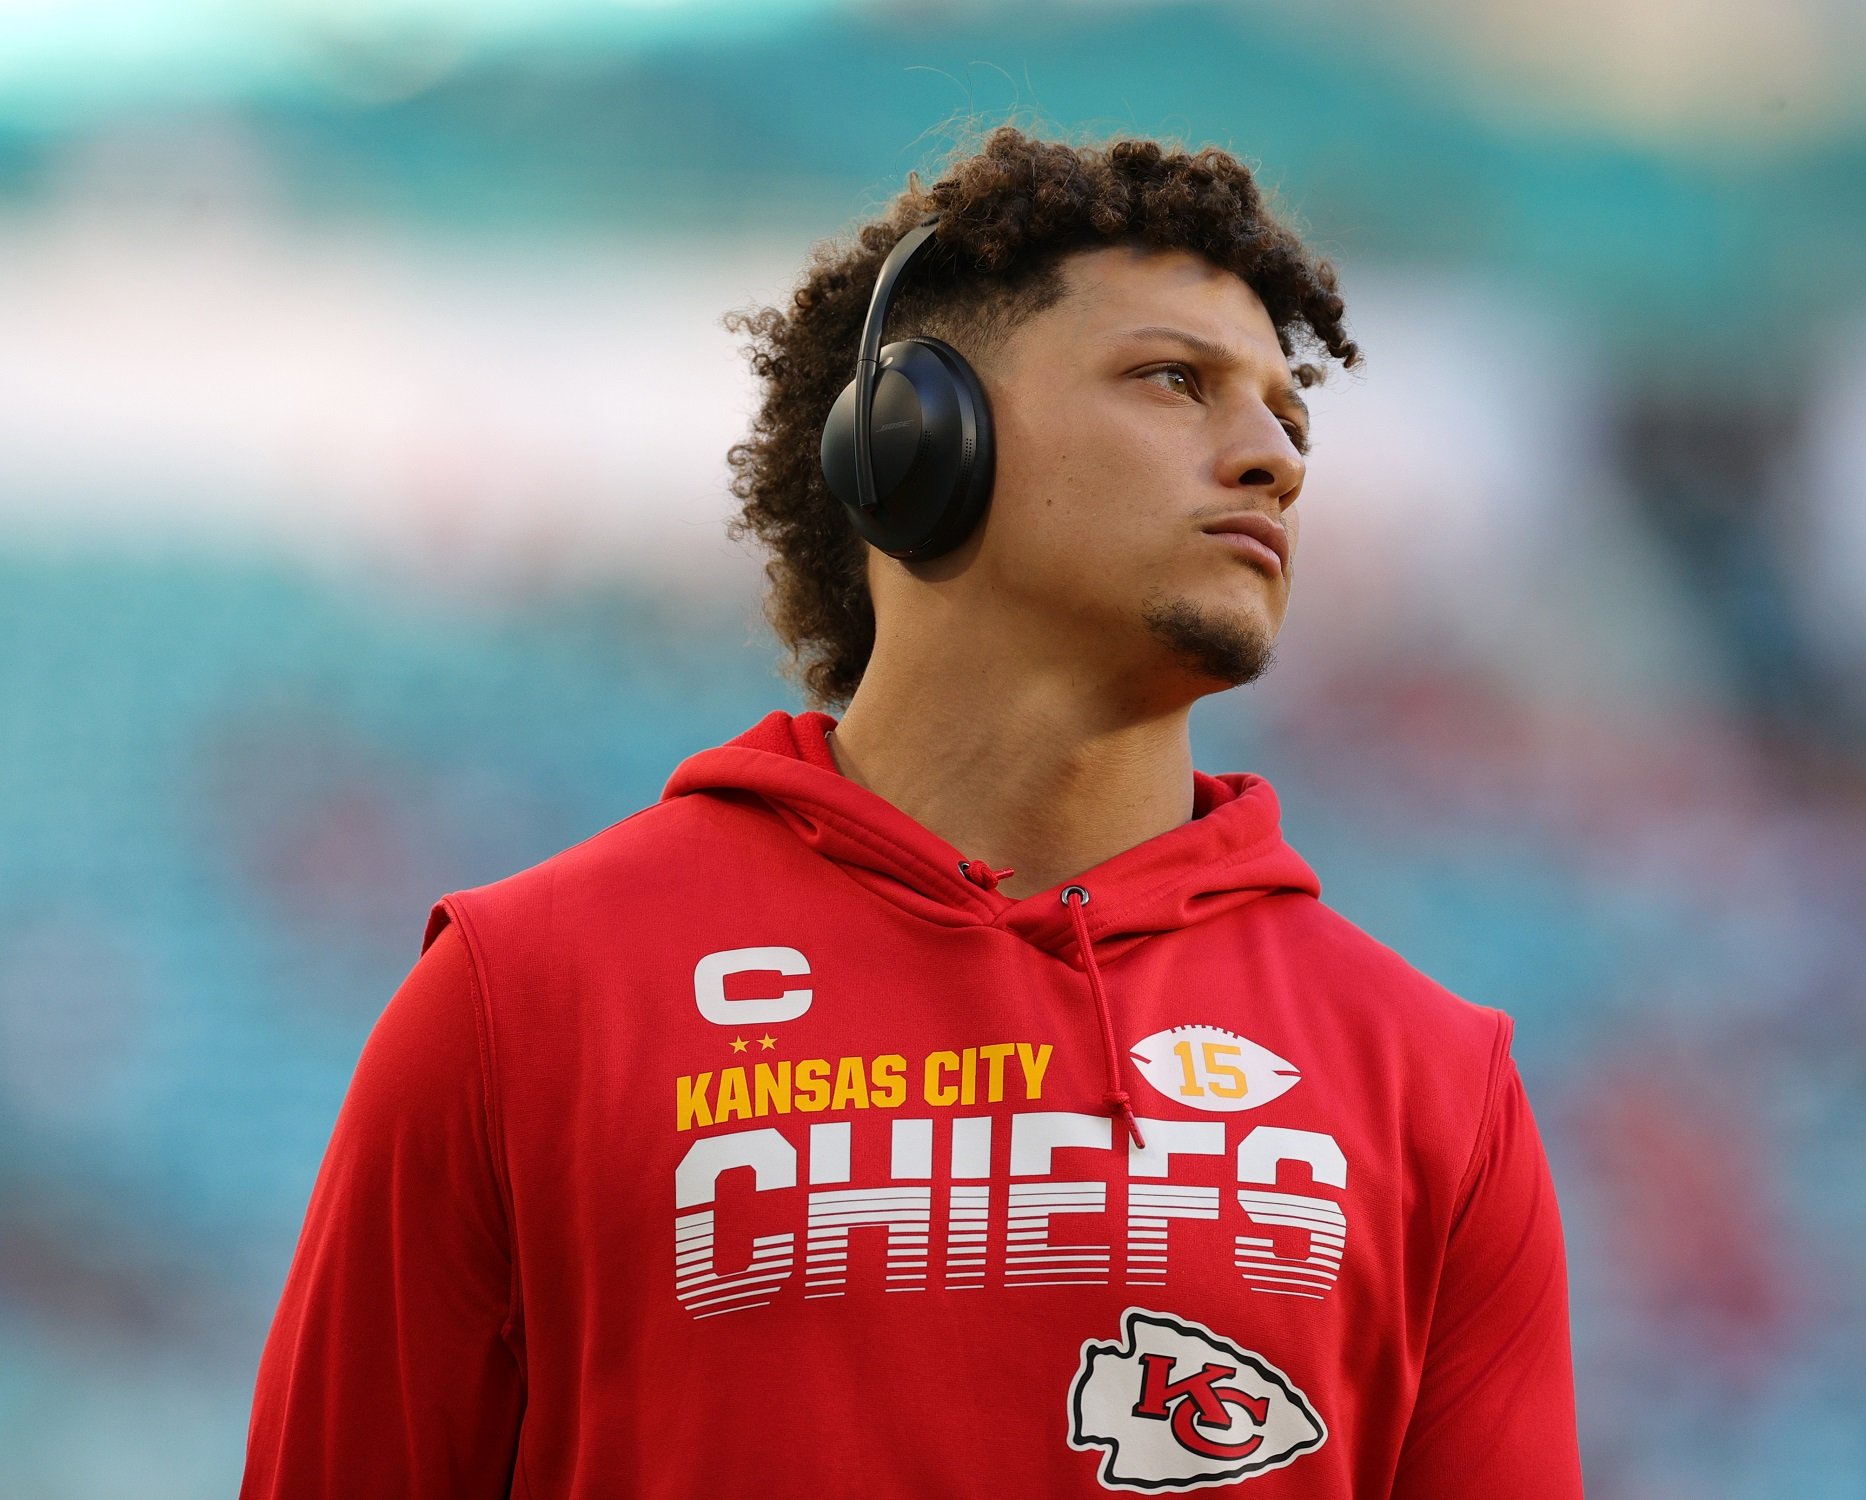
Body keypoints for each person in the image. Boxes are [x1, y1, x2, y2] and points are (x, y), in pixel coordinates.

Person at [238, 125, 1584, 1498]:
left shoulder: (1435, 1082)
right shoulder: (522, 1000)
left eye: (1286, 417)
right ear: (916, 436)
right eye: (1174, 381)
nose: (1269, 459)